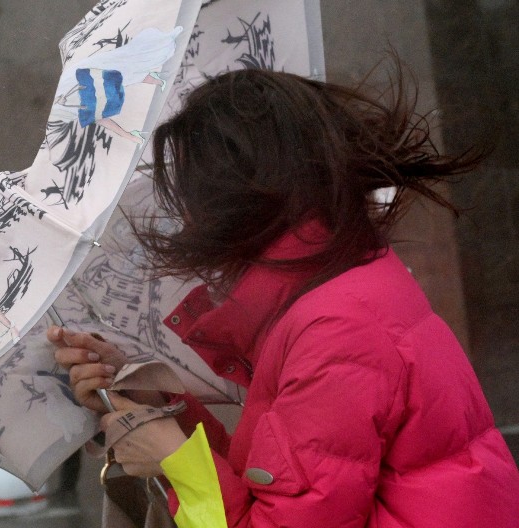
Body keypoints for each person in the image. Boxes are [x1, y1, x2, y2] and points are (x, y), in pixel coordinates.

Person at [47, 67, 519, 527]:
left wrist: (174, 460)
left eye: (191, 191)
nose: (187, 219)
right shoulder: (340, 286)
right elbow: (281, 485)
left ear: (235, 193)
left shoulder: (334, 329)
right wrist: (154, 402)